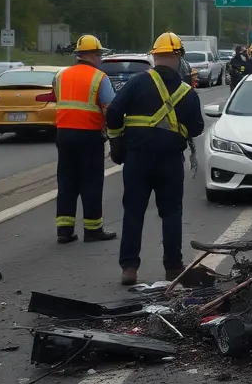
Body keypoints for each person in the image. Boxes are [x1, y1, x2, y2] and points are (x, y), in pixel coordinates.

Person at [106, 32, 205, 286]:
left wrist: (116, 141)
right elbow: (197, 128)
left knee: (134, 211)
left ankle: (129, 268)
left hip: (137, 159)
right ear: (178, 57)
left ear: (155, 56)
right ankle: (173, 268)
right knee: (171, 213)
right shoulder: (187, 92)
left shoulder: (137, 82)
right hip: (170, 161)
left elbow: (114, 111)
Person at [53, 34, 118, 244]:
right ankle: (93, 229)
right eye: (99, 55)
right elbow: (110, 108)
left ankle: (64, 230)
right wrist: (113, 132)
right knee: (91, 182)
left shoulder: (61, 76)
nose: (101, 59)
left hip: (63, 134)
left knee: (66, 181)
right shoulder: (100, 78)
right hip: (89, 135)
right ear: (93, 54)